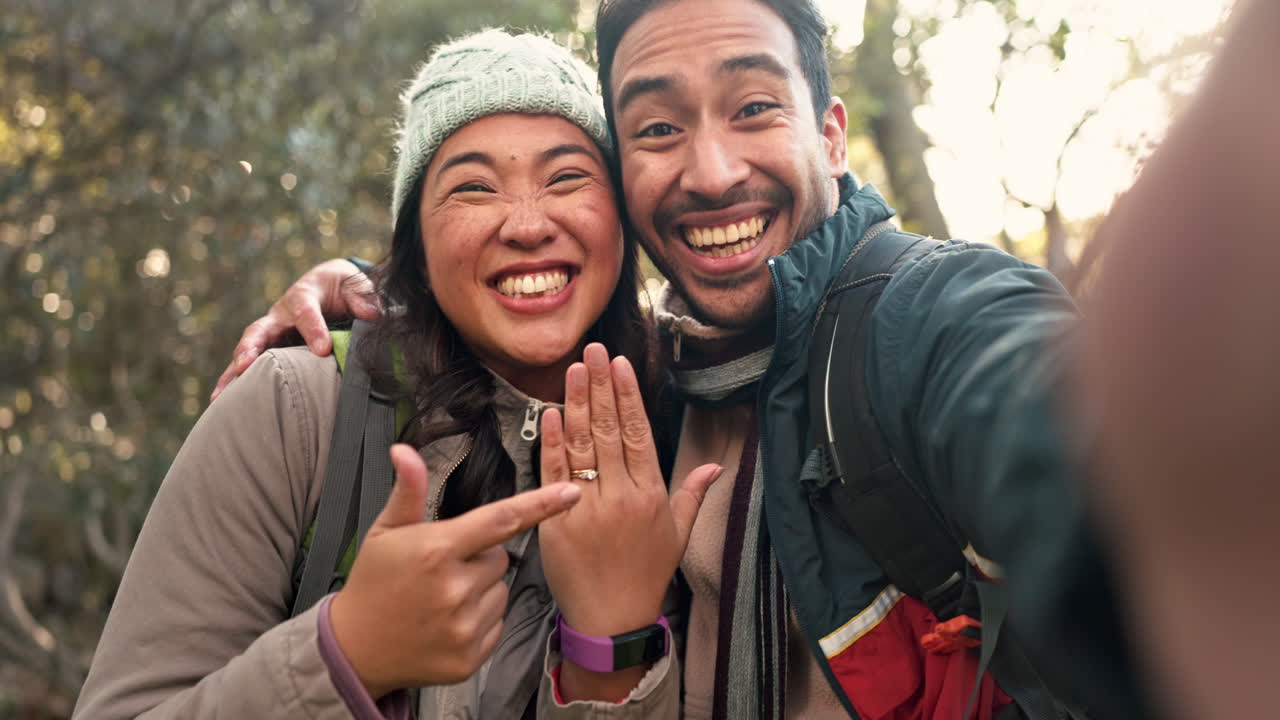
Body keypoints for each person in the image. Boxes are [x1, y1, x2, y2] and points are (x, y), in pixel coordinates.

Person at [221, 0, 1280, 716]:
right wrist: (385, 292)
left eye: (752, 108)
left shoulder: (922, 318)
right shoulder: (641, 384)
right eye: (655, 129)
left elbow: (1038, 418)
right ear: (623, 183)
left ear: (828, 134)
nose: (710, 170)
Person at [75, 29, 721, 719]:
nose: (528, 225)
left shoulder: (693, 423)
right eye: (473, 188)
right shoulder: (295, 410)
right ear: (415, 241)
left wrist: (608, 654)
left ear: (621, 221)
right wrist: (346, 654)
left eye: (566, 177)